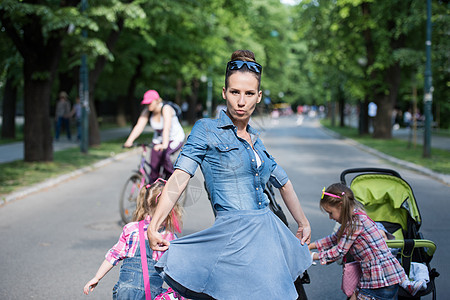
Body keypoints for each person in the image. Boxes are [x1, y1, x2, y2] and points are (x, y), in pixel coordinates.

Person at [147, 50, 312, 299]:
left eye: (248, 94)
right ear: (224, 93)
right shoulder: (206, 130)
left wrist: (303, 222)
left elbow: (284, 183)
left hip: (269, 238)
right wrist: (154, 224)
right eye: (235, 92)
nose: (241, 101)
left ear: (258, 97)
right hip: (235, 240)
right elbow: (180, 178)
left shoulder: (256, 140)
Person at [83, 179, 183, 299]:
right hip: (150, 293)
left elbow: (113, 255)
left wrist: (97, 277)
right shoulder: (169, 236)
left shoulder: (130, 229)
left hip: (125, 292)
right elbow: (176, 268)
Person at [309, 183, 407, 300]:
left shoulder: (355, 223)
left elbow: (339, 251)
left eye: (331, 213)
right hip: (379, 277)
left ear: (341, 206)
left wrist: (312, 256)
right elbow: (334, 238)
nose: (330, 217)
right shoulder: (353, 217)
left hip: (380, 280)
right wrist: (311, 246)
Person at [124, 90, 185, 183]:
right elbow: (139, 126)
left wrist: (164, 145)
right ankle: (154, 189)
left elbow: (166, 128)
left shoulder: (166, 108)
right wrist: (129, 141)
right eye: (146, 103)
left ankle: (173, 181)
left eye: (150, 102)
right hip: (159, 140)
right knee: (154, 167)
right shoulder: (147, 111)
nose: (148, 105)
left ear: (157, 100)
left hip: (174, 138)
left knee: (166, 155)